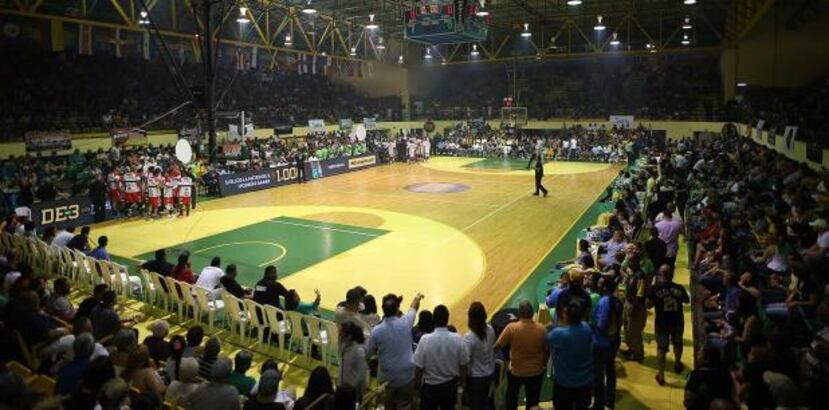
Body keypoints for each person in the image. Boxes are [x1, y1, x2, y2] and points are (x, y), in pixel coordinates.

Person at [365, 293, 424, 410]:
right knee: (405, 406)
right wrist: (417, 297)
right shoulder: (406, 322)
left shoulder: (377, 331)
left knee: (386, 406)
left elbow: (367, 353)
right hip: (407, 376)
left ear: (382, 309)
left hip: (387, 379)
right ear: (397, 308)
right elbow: (414, 307)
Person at [413, 304, 469, 410]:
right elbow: (463, 365)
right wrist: (463, 384)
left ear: (434, 320)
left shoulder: (425, 340)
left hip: (430, 388)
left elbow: (418, 367)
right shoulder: (457, 339)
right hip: (450, 387)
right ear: (447, 320)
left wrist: (417, 388)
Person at [494, 300, 548, 410]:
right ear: (532, 313)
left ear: (519, 313)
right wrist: (544, 365)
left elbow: (497, 346)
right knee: (533, 401)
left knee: (511, 399)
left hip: (516, 371)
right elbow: (547, 350)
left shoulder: (511, 328)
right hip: (536, 371)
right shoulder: (542, 329)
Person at [547, 301, 594, 410]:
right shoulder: (587, 328)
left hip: (564, 384)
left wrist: (548, 327)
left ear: (566, 317)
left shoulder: (558, 333)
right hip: (584, 383)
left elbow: (544, 342)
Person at [648, 264, 690, 385]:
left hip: (662, 322)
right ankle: (677, 363)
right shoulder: (679, 287)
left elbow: (648, 305)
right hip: (677, 320)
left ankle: (661, 375)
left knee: (661, 348)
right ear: (672, 275)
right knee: (678, 342)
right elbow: (686, 300)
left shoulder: (654, 288)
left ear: (660, 275)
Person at [592, 277, 623, 410]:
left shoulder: (605, 301)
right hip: (614, 340)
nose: (598, 284)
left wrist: (590, 326)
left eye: (600, 283)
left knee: (598, 374)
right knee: (610, 370)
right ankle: (610, 399)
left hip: (602, 342)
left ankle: (599, 404)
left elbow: (602, 325)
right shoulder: (618, 300)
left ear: (605, 287)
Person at [464, 302, 495, 410]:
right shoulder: (490, 330)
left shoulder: (469, 337)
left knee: (476, 406)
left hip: (476, 379)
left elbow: (465, 360)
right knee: (487, 402)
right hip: (490, 374)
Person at [621, 257, 647, 362]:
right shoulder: (633, 273)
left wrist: (634, 308)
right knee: (627, 329)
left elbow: (640, 295)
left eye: (632, 261)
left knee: (634, 332)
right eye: (629, 262)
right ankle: (631, 349)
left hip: (635, 305)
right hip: (628, 302)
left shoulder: (640, 276)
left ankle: (637, 354)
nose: (630, 264)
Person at [338, 321, 368, 400]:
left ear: (349, 336)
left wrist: (351, 388)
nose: (339, 336)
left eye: (341, 334)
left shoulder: (358, 351)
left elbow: (361, 374)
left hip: (353, 391)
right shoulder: (344, 346)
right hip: (343, 388)